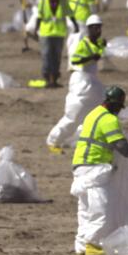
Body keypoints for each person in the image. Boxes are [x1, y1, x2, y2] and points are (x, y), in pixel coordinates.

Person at [70, 86, 128, 255]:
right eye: (119, 107)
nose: (119, 111)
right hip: (94, 167)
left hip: (81, 165)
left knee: (85, 207)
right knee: (102, 206)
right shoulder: (109, 119)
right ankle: (92, 243)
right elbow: (120, 144)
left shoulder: (93, 113)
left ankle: (82, 245)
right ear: (114, 103)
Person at [47, 15, 105, 154]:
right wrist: (91, 57)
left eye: (99, 27)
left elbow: (100, 52)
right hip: (81, 81)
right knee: (74, 115)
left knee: (99, 111)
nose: (97, 30)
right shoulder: (83, 44)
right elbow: (75, 60)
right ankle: (53, 141)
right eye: (94, 27)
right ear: (89, 29)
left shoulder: (99, 43)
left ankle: (91, 141)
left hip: (93, 82)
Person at [25, 0, 69, 89]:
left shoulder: (63, 1)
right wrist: (36, 30)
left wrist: (76, 26)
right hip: (46, 33)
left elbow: (70, 14)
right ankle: (48, 79)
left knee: (56, 57)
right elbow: (39, 17)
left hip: (59, 33)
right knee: (46, 56)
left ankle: (54, 79)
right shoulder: (43, 2)